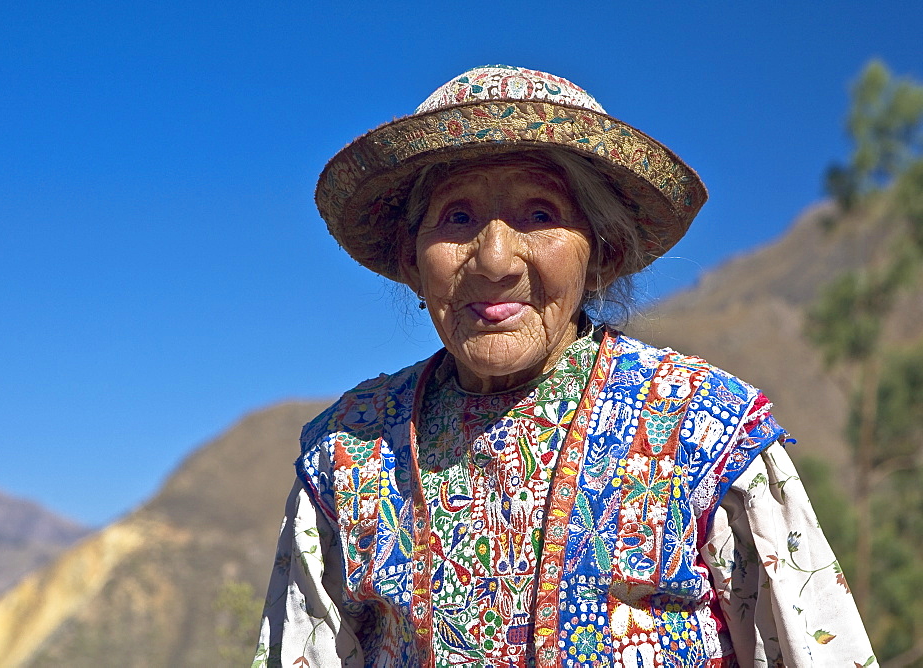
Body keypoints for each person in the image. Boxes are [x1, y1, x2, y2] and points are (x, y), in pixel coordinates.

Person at [253, 65, 874, 668]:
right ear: (412, 263)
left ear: (601, 256)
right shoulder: (347, 452)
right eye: (458, 217)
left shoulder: (706, 432)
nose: (495, 259)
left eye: (541, 214)